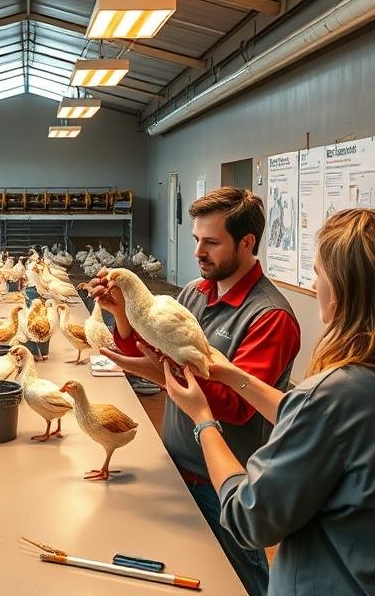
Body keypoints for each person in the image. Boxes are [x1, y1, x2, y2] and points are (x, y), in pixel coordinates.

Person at [164, 209, 375, 595]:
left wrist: (203, 420)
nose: (314, 282)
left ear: (342, 290)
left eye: (319, 273)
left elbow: (249, 518)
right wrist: (232, 374)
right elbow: (326, 425)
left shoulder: (331, 394)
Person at [100, 187, 300, 596]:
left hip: (225, 487)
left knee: (244, 583)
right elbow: (148, 349)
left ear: (246, 243)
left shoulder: (269, 316)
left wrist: (167, 376)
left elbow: (239, 406)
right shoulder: (194, 293)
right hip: (177, 469)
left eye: (211, 242)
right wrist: (123, 314)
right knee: (193, 579)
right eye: (196, 240)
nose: (198, 252)